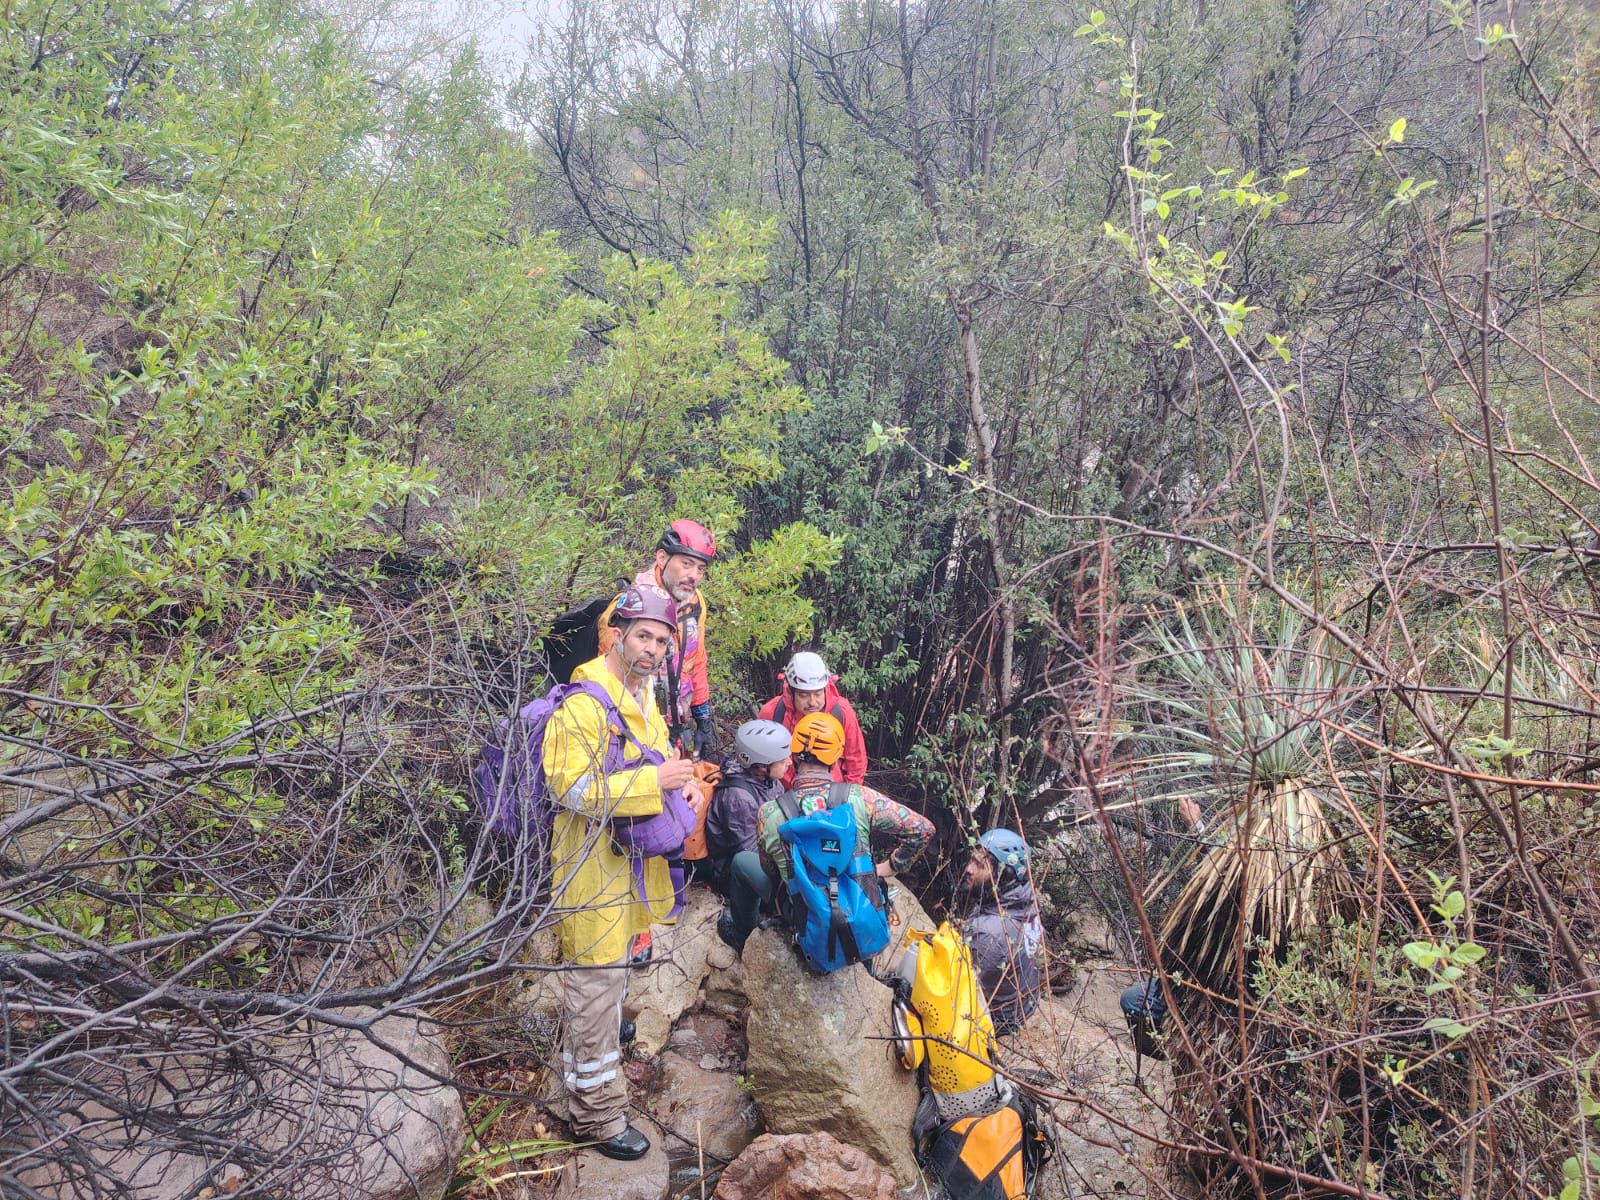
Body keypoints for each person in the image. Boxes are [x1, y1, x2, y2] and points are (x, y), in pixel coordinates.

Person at [542, 584, 696, 1161]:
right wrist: (654, 784)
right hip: (589, 869)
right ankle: (596, 1117)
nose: (653, 648)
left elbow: (654, 761)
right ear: (619, 636)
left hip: (625, 868)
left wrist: (681, 787)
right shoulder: (584, 704)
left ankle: (587, 1063)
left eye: (662, 640)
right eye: (644, 636)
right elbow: (570, 788)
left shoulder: (641, 694)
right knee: (594, 983)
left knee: (608, 983)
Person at [717, 712, 934, 952]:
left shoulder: (769, 813)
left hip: (804, 915)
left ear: (794, 753)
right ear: (837, 757)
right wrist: (890, 867)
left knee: (740, 863)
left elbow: (770, 869)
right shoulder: (860, 798)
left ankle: (742, 935)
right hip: (859, 908)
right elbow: (922, 829)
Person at [598, 520, 717, 756]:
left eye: (701, 569)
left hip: (676, 724)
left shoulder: (695, 604)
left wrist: (702, 716)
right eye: (686, 563)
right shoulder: (627, 609)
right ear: (662, 558)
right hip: (634, 727)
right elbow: (606, 679)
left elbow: (696, 660)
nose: (693, 575)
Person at [960, 828, 1046, 1035]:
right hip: (1022, 1006)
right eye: (972, 860)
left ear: (1004, 876)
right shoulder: (1024, 902)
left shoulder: (990, 932)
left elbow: (959, 988)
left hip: (997, 1020)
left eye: (981, 865)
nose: (969, 869)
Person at [702, 719, 791, 891]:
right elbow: (749, 853)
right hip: (733, 872)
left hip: (768, 849)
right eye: (782, 759)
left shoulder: (769, 781)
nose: (789, 762)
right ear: (760, 766)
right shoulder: (739, 799)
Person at [757, 651, 868, 785]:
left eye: (818, 693)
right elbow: (759, 761)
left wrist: (848, 795)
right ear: (791, 692)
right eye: (804, 695)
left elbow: (856, 759)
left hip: (831, 795)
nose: (813, 702)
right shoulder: (773, 713)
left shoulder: (840, 711)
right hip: (785, 797)